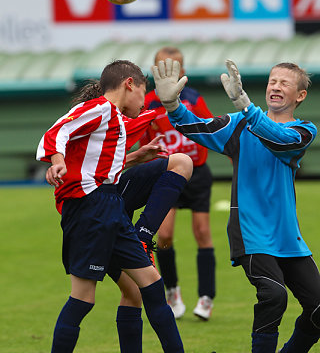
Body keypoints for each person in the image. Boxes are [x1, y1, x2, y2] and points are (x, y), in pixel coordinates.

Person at [151, 57, 320, 353]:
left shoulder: (304, 131)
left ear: (300, 96)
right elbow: (196, 126)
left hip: (288, 238)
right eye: (272, 81)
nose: (275, 87)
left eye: (284, 83)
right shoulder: (240, 123)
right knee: (274, 295)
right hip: (251, 233)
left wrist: (246, 106)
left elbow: (278, 140)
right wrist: (172, 106)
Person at [36, 59, 191, 353]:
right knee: (83, 299)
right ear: (129, 84)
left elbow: (101, 165)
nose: (143, 102)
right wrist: (57, 163)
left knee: (152, 286)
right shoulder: (99, 108)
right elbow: (56, 132)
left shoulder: (115, 119)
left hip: (109, 205)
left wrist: (137, 156)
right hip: (88, 209)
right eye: (143, 93)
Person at [140, 46, 216, 320]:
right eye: (163, 68)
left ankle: (206, 297)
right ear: (154, 72)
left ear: (183, 72)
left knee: (202, 232)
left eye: (174, 67)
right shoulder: (148, 103)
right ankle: (172, 291)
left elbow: (211, 130)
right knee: (165, 236)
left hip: (197, 173)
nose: (169, 73)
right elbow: (142, 140)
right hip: (166, 173)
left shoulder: (194, 100)